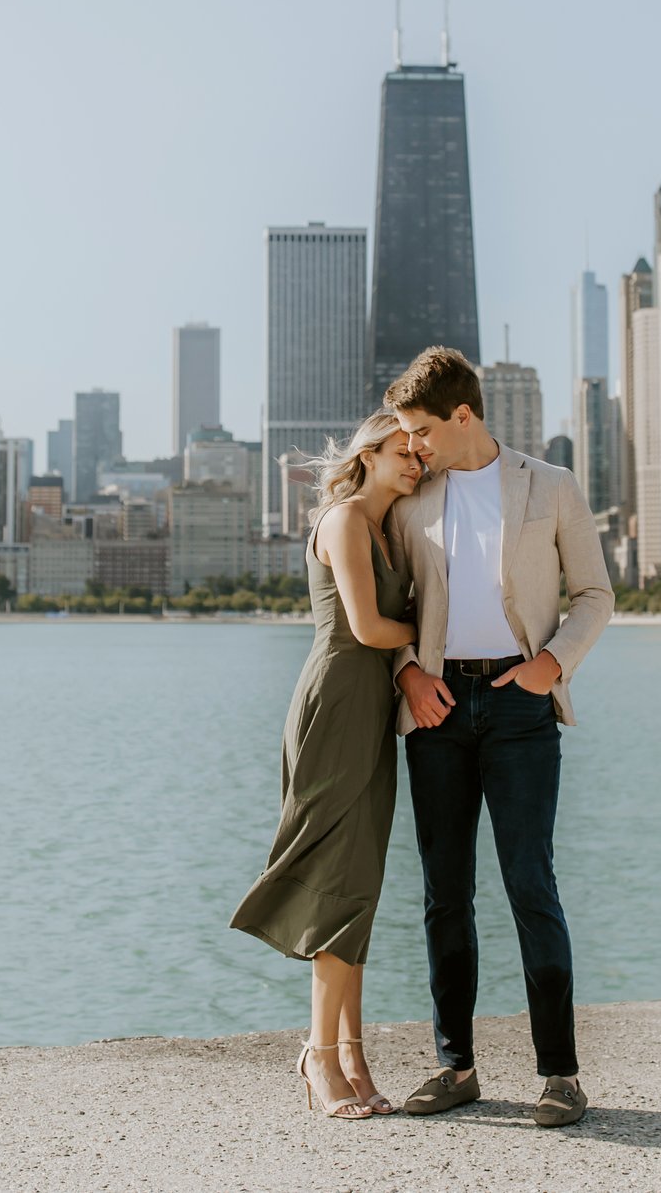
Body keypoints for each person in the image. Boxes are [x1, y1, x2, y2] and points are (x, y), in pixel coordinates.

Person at [381, 346, 615, 1128]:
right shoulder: (412, 499)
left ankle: (561, 1075)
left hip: (520, 706)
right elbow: (391, 602)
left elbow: (594, 593)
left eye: (420, 429)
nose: (412, 444)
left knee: (530, 884)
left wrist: (552, 663)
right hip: (438, 709)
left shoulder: (550, 485)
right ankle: (457, 1067)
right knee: (444, 894)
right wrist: (410, 672)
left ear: (464, 415)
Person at [229, 411, 422, 1120]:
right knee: (338, 880)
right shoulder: (343, 520)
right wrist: (438, 630)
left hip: (371, 707)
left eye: (418, 455)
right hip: (337, 698)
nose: (414, 463)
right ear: (368, 454)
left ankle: (352, 1052)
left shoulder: (387, 529)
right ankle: (317, 1054)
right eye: (402, 451)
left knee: (360, 882)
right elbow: (369, 628)